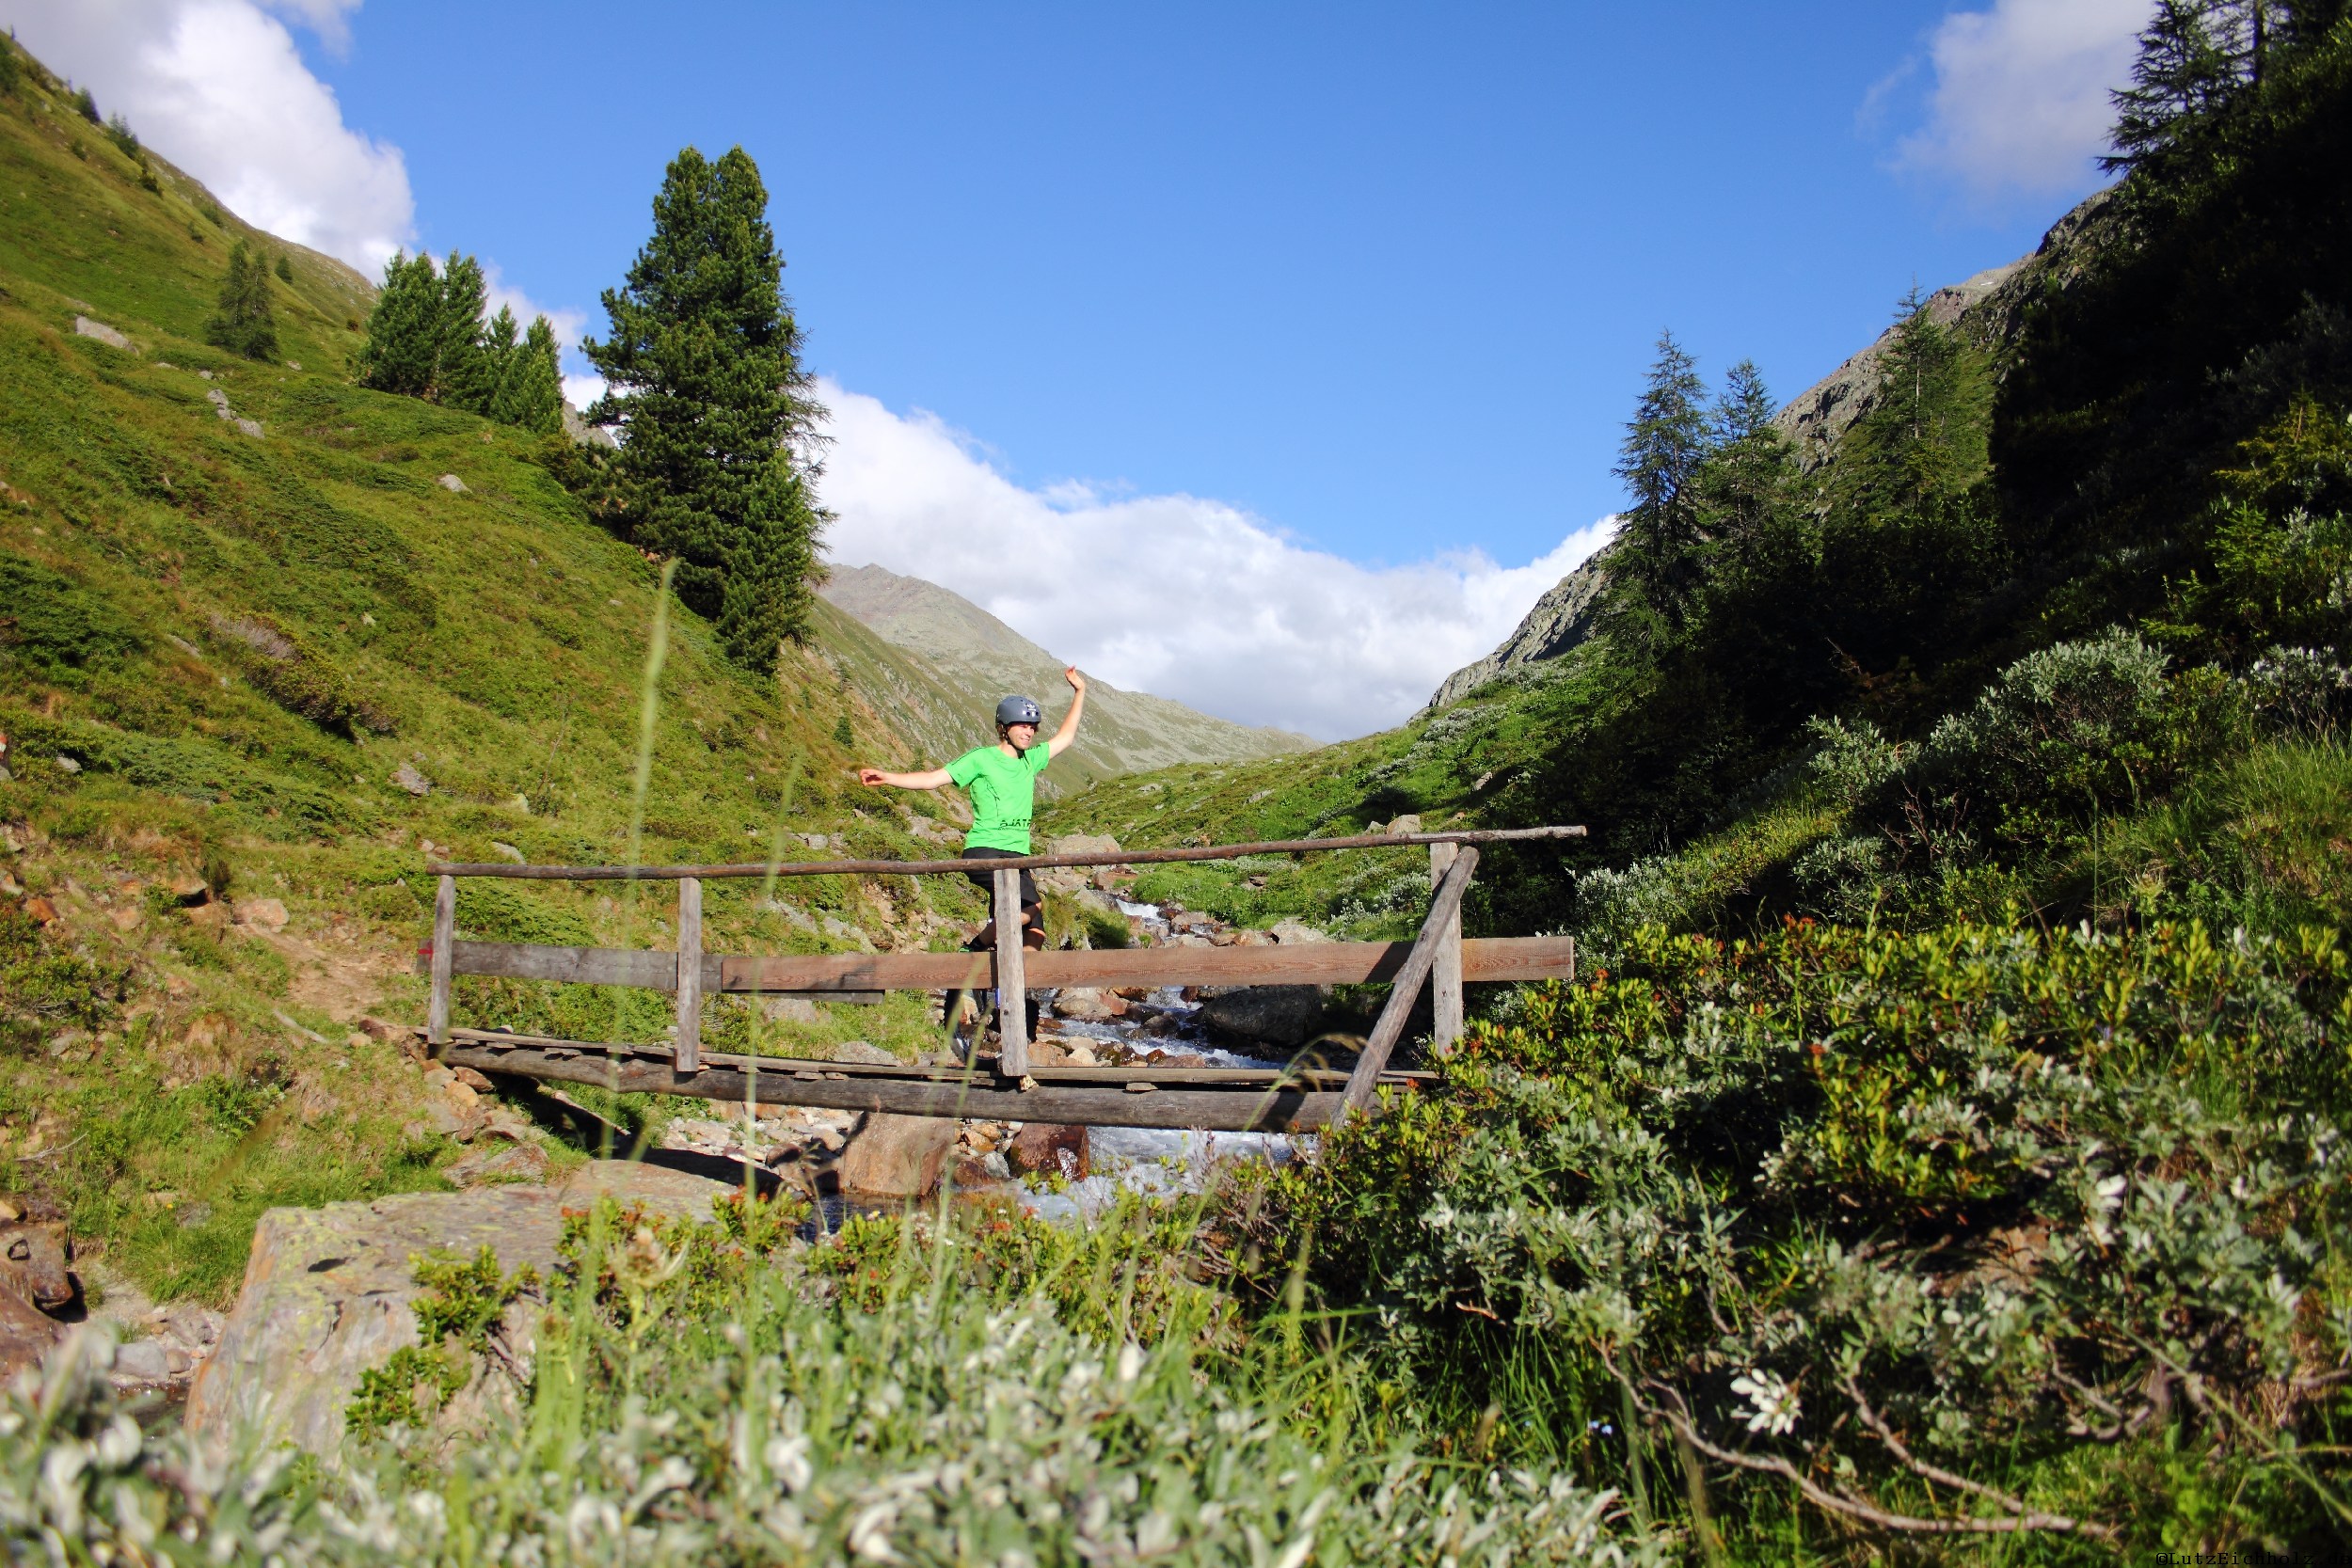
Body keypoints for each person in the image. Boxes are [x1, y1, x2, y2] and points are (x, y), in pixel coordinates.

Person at [858, 666, 1087, 954]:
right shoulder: (981, 759)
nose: (1029, 731)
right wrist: (889, 777)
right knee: (1030, 907)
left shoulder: (1031, 760)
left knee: (1035, 932)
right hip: (985, 851)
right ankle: (975, 947)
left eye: (1032, 727)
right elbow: (932, 779)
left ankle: (1005, 978)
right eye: (1021, 725)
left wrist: (1080, 691)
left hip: (1018, 856)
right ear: (1004, 727)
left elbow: (1065, 737)